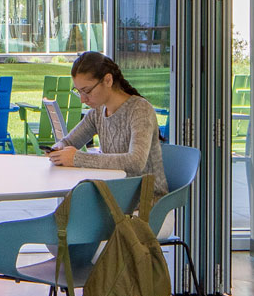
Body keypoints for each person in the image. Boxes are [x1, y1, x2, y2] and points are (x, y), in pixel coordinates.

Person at [46, 50, 166, 196]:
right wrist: (58, 149)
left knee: (75, 206)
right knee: (73, 205)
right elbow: (70, 141)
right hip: (115, 192)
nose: (83, 99)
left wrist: (77, 158)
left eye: (87, 91)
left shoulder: (140, 110)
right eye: (78, 92)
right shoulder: (98, 112)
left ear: (108, 80)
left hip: (144, 197)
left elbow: (136, 162)